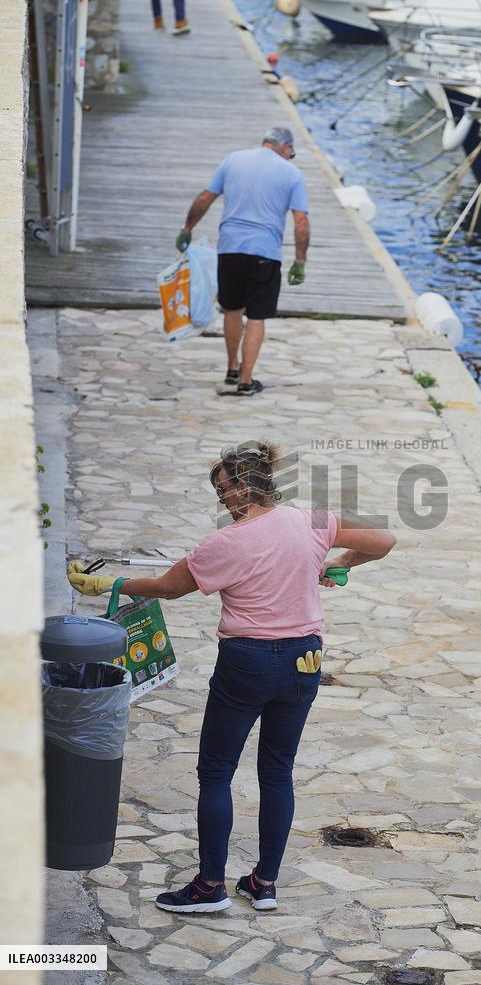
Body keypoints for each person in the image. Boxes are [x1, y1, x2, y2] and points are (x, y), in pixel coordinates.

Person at [67, 442, 395, 914]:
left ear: (245, 485)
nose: (221, 499)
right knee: (277, 773)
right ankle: (263, 884)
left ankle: (208, 888)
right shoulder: (314, 521)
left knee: (216, 773)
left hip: (248, 661)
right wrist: (336, 563)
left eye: (224, 489)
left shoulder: (224, 544)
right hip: (305, 659)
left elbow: (169, 587)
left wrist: (109, 584)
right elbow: (383, 541)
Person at [176, 128, 310, 397]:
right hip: (265, 254)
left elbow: (205, 199)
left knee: (232, 309)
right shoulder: (292, 174)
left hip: (230, 249)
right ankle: (246, 380)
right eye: (291, 153)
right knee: (257, 316)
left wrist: (187, 229)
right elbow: (301, 221)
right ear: (286, 147)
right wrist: (300, 260)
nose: (290, 157)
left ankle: (232, 368)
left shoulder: (233, 160)